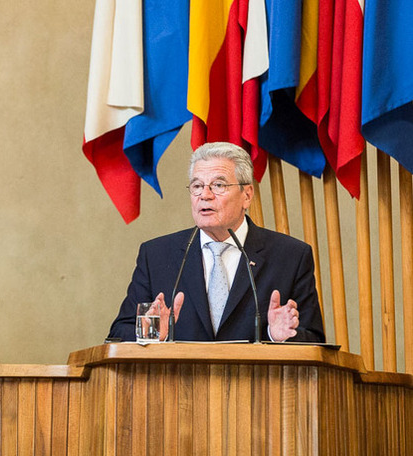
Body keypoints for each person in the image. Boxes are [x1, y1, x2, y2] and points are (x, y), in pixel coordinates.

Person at [108, 141, 325, 343]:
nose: (205, 195)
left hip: (256, 383)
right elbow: (118, 335)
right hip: (178, 383)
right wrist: (154, 334)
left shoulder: (290, 256)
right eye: (197, 186)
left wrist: (277, 336)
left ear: (247, 195)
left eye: (218, 185)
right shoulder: (156, 255)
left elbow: (314, 339)